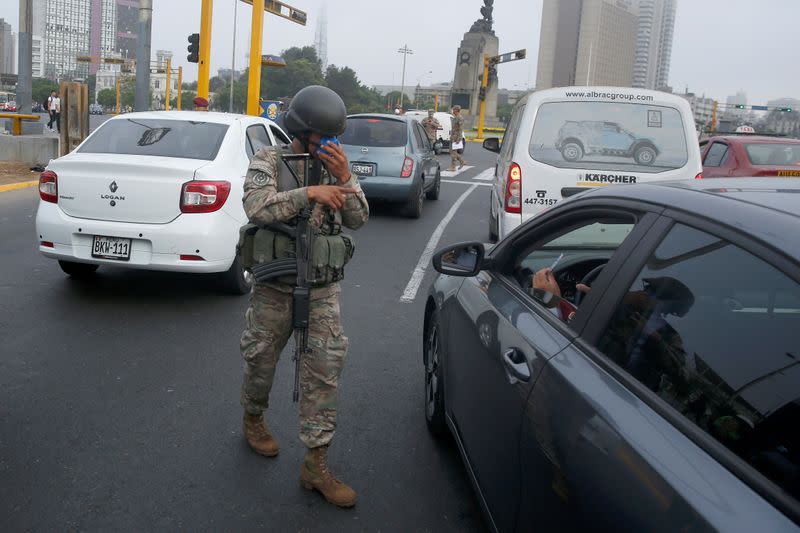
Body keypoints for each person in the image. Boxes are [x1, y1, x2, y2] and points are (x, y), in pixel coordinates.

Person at [239, 85, 369, 508]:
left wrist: (345, 178)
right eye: (323, 137)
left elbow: (360, 218)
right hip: (274, 287)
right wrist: (308, 194)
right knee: (260, 357)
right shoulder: (269, 160)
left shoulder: (336, 168)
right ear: (302, 131)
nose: (330, 145)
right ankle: (254, 418)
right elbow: (256, 207)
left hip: (321, 289)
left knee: (324, 371)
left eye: (335, 137)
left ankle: (316, 465)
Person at [448, 105, 465, 171]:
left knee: (453, 152)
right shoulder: (455, 117)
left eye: (453, 109)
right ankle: (461, 161)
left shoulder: (460, 118)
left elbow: (460, 129)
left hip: (456, 137)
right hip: (453, 136)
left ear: (456, 110)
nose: (453, 110)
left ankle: (453, 166)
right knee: (451, 151)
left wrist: (459, 138)